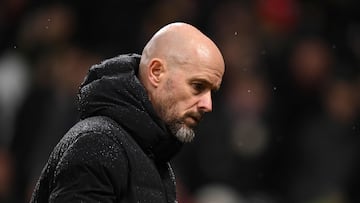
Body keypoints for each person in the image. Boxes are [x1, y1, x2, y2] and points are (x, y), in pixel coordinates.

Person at [30, 22, 225, 202]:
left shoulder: (150, 154)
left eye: (212, 92)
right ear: (156, 72)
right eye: (198, 86)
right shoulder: (98, 143)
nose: (207, 104)